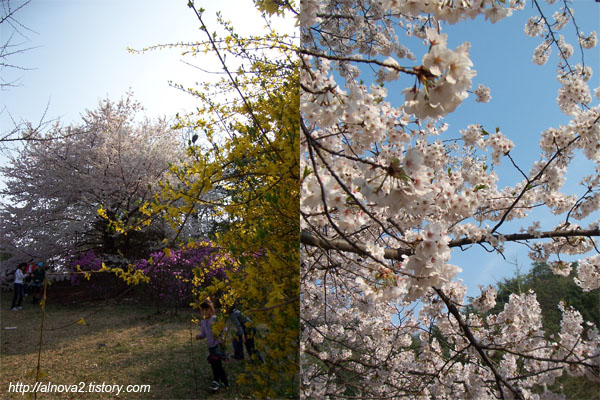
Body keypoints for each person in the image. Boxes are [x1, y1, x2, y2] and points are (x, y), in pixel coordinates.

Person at [195, 299, 229, 392]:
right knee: (216, 364)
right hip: (211, 346)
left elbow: (224, 328)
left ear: (212, 310)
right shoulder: (203, 322)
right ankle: (225, 381)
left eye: (207, 310)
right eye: (203, 310)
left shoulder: (215, 319)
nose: (205, 312)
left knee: (216, 363)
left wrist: (219, 332)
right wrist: (200, 336)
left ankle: (216, 381)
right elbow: (204, 334)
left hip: (218, 344)